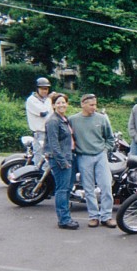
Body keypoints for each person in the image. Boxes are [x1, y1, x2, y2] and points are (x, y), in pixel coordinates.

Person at [69, 94, 116, 228]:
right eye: (91, 105)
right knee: (88, 188)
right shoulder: (73, 120)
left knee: (106, 186)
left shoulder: (102, 119)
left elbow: (110, 138)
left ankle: (106, 216)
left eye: (95, 104)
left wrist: (105, 150)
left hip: (100, 155)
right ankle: (93, 216)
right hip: (83, 157)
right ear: (83, 104)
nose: (94, 107)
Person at [44, 93, 78, 230]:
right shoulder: (53, 121)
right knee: (62, 190)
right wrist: (62, 162)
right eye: (58, 103)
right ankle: (64, 220)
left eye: (63, 102)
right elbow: (54, 144)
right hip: (60, 160)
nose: (61, 105)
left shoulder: (64, 119)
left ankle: (66, 217)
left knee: (67, 188)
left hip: (69, 156)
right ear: (53, 105)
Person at [26, 77, 54, 164]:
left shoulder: (45, 100)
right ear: (37, 89)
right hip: (40, 133)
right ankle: (37, 175)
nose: (45, 91)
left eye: (46, 89)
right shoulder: (32, 100)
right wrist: (50, 99)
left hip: (48, 131)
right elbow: (44, 112)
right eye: (42, 89)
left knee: (48, 156)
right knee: (39, 157)